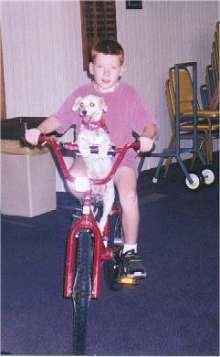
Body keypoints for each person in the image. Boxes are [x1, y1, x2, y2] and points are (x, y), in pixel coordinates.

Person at [25, 39, 158, 278]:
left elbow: (148, 124)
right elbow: (58, 119)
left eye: (113, 68)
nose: (106, 74)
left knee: (128, 195)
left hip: (119, 160)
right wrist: (39, 130)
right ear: (90, 67)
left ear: (122, 70)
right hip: (87, 158)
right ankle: (94, 203)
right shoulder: (81, 95)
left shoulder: (129, 95)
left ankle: (130, 251)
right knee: (74, 180)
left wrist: (147, 136)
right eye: (100, 67)